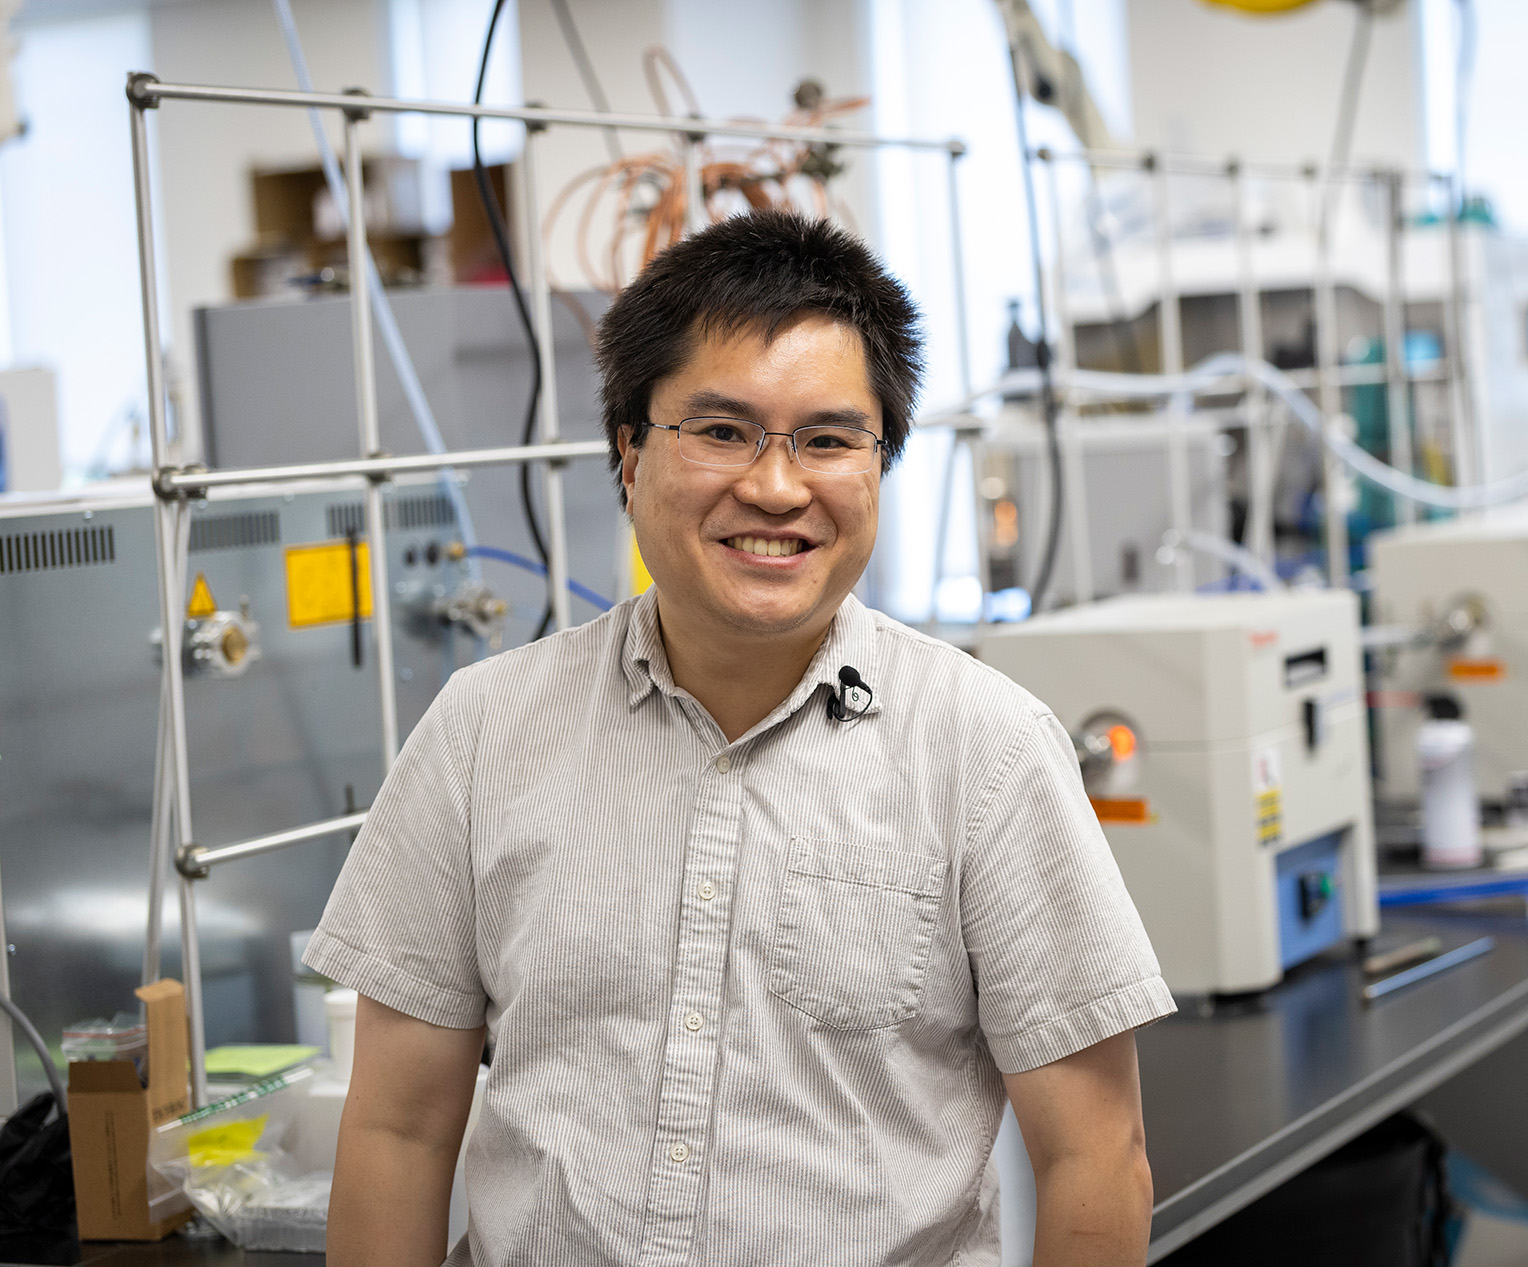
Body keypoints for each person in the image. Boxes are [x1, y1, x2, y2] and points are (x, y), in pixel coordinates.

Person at [308, 211, 1174, 1266]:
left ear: (880, 462)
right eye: (720, 432)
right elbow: (398, 1130)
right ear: (628, 453)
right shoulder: (484, 732)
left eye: (827, 439)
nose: (775, 486)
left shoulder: (985, 748)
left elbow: (1096, 1156)